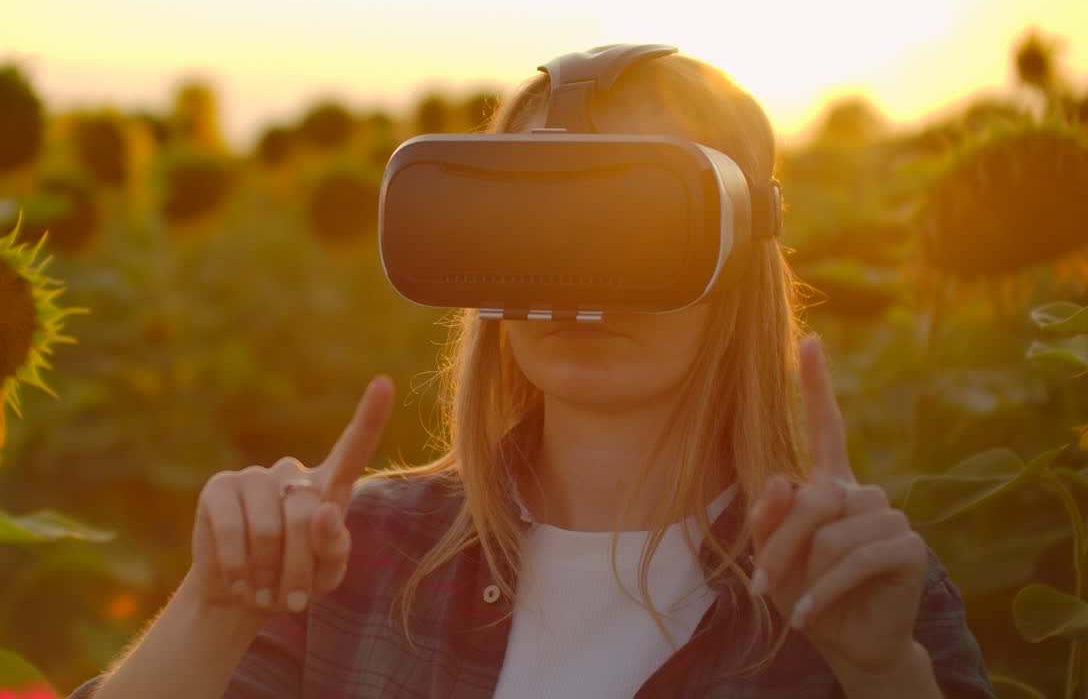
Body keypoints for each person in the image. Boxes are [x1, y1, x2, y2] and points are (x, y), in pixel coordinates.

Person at [71, 47, 994, 698]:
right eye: (534, 226)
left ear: (736, 252)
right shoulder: (356, 558)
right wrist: (213, 611)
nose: (577, 286)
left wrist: (884, 678)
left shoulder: (850, 585)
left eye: (634, 226)